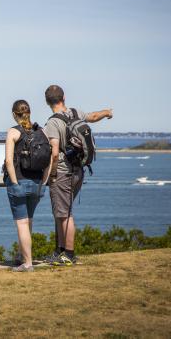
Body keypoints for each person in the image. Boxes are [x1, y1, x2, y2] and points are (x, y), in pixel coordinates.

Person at [43, 85, 113, 265]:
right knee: (62, 212)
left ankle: (69, 254)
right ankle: (60, 251)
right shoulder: (75, 112)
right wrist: (106, 112)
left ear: (47, 101)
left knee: (65, 214)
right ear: (63, 97)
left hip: (63, 172)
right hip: (78, 171)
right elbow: (94, 116)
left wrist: (51, 175)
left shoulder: (52, 123)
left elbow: (55, 151)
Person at [4, 100, 51, 272]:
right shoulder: (41, 132)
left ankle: (28, 263)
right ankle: (22, 256)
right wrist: (44, 182)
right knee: (28, 222)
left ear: (14, 114)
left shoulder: (13, 132)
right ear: (29, 113)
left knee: (22, 223)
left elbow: (9, 160)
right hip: (37, 183)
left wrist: (15, 183)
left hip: (19, 182)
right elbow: (50, 159)